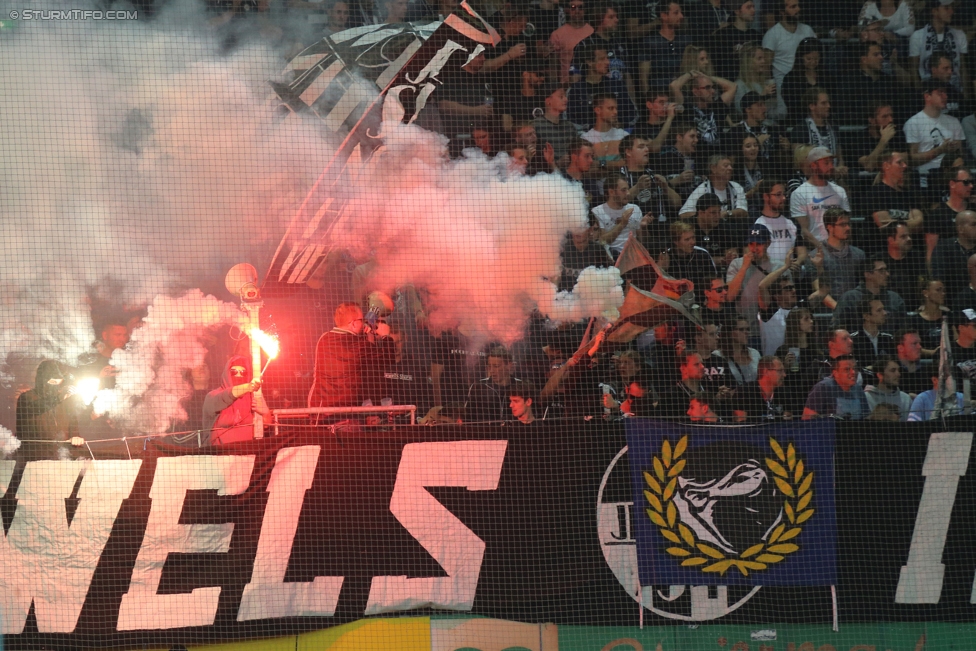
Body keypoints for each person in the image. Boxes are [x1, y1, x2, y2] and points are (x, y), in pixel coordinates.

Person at [308, 301, 395, 411]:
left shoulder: (324, 338)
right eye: (361, 320)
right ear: (353, 323)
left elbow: (358, 350)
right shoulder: (357, 345)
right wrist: (386, 337)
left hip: (319, 409)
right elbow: (387, 359)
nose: (363, 323)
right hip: (345, 412)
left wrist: (367, 334)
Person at [858, 151, 924, 254]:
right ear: (886, 166)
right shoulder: (875, 193)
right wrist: (910, 222)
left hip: (908, 255)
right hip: (882, 253)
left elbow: (919, 223)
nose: (905, 166)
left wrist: (896, 224)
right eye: (899, 163)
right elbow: (886, 228)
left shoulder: (909, 194)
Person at [15, 360, 81, 462]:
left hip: (63, 456)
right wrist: (59, 398)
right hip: (35, 458)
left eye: (59, 380)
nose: (56, 383)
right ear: (43, 379)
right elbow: (37, 407)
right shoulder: (27, 397)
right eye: (53, 380)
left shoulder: (66, 399)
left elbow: (73, 422)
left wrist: (76, 437)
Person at [904, 81, 965, 188]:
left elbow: (960, 153)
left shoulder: (954, 121)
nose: (945, 96)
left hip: (951, 176)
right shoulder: (913, 123)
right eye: (940, 93)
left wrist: (953, 149)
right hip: (925, 176)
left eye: (945, 93)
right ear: (927, 96)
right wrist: (940, 150)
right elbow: (912, 159)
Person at [202, 355, 271, 446]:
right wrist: (248, 387)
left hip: (246, 454)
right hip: (218, 455)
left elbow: (265, 426)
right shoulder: (213, 396)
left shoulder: (252, 397)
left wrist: (266, 413)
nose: (239, 375)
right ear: (227, 373)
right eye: (234, 372)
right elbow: (225, 397)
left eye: (243, 372)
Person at [790, 147, 851, 246]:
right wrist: (822, 249)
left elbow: (847, 224)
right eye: (826, 163)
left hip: (840, 248)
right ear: (813, 165)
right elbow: (803, 230)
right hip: (815, 249)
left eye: (832, 162)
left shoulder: (840, 191)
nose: (831, 166)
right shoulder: (799, 193)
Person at [832, 257, 908, 333]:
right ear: (867, 274)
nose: (887, 274)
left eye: (886, 270)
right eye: (881, 271)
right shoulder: (850, 298)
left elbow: (904, 329)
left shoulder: (894, 298)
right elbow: (836, 328)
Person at [908, 0, 968, 92]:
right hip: (928, 90)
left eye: (952, 8)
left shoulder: (960, 35)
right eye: (946, 8)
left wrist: (966, 98)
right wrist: (920, 96)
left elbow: (963, 69)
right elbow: (913, 69)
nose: (951, 11)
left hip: (955, 90)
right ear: (934, 11)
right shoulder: (917, 36)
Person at [726, 224, 776, 334]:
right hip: (744, 329)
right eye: (751, 244)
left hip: (771, 327)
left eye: (759, 244)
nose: (754, 249)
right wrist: (744, 267)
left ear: (768, 243)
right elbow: (730, 296)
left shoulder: (777, 266)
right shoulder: (737, 264)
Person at [569, 53, 636, 132]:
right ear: (589, 62)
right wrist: (596, 126)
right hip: (588, 137)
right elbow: (570, 121)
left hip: (618, 134)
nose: (608, 62)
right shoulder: (576, 89)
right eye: (602, 59)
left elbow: (633, 115)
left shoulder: (617, 85)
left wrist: (622, 123)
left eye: (607, 58)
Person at [678, 155, 749, 224]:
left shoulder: (736, 187)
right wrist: (708, 215)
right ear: (713, 168)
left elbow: (743, 212)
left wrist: (726, 213)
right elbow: (683, 214)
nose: (730, 168)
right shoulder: (702, 189)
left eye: (730, 165)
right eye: (726, 165)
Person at [638, 0, 689, 95]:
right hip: (659, 95)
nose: (681, 16)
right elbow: (643, 79)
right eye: (676, 13)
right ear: (664, 16)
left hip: (682, 94)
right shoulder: (650, 42)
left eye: (681, 13)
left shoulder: (685, 40)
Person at [763, 0, 816, 89]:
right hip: (784, 86)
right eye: (793, 7)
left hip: (808, 82)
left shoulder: (808, 30)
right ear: (782, 12)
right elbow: (766, 66)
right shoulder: (772, 34)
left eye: (798, 6)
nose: (798, 9)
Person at [660, 221, 718, 303]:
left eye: (693, 238)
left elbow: (714, 282)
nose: (693, 242)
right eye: (687, 239)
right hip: (674, 304)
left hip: (701, 303)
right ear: (675, 242)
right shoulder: (667, 257)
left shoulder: (702, 255)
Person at [814, 208, 865, 300]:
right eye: (842, 224)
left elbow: (863, 286)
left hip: (855, 307)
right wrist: (840, 309)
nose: (848, 228)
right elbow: (819, 290)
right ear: (830, 227)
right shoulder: (816, 256)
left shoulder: (859, 254)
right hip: (826, 311)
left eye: (848, 224)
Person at [793, 88, 847, 177]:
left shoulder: (833, 127)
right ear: (812, 106)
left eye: (828, 103)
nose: (828, 106)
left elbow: (839, 155)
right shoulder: (801, 129)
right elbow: (800, 162)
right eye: (823, 103)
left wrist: (841, 168)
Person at [925, 166, 971, 263]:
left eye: (971, 182)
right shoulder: (937, 215)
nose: (971, 186)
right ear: (952, 184)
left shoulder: (973, 210)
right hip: (949, 266)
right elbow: (931, 252)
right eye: (966, 182)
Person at [466, 346, 525, 422]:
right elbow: (468, 416)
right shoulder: (479, 386)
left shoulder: (521, 386)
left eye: (496, 366)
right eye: (489, 366)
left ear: (509, 365)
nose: (492, 370)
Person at [593, 174, 647, 256]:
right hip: (612, 257)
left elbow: (643, 241)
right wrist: (622, 224)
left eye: (628, 189)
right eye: (623, 190)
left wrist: (643, 227)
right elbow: (602, 241)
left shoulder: (635, 209)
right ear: (611, 192)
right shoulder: (597, 212)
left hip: (634, 255)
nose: (628, 193)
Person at [803, 355, 871, 420]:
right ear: (835, 373)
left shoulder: (858, 389)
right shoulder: (823, 388)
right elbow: (807, 419)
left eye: (855, 368)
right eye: (847, 369)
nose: (853, 372)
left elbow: (865, 417)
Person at [754, 180, 801, 267]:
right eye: (778, 195)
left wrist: (797, 263)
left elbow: (802, 251)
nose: (784, 198)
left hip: (790, 274)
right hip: (766, 274)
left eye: (784, 194)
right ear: (766, 197)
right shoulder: (755, 223)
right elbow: (751, 254)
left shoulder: (791, 222)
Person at [932, 210, 976, 301]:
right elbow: (939, 279)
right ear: (960, 229)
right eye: (974, 224)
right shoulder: (944, 248)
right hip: (952, 302)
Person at [712, 0, 762, 81]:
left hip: (753, 83)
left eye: (753, 7)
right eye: (748, 7)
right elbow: (718, 65)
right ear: (737, 11)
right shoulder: (722, 35)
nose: (753, 10)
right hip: (731, 83)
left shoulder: (756, 36)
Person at [653, 120, 702, 199]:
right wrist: (677, 180)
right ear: (679, 137)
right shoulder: (665, 158)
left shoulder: (699, 158)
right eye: (692, 136)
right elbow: (655, 188)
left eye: (697, 137)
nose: (696, 140)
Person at [532, 84, 578, 166]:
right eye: (561, 97)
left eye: (565, 96)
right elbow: (532, 158)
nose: (566, 99)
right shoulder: (535, 126)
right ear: (548, 101)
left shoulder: (569, 126)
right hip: (547, 175)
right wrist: (557, 163)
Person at [688, 193, 739, 268]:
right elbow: (686, 258)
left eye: (719, 212)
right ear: (701, 213)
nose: (718, 216)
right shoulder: (687, 228)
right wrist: (717, 260)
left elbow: (732, 252)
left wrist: (731, 256)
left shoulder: (726, 228)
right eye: (713, 213)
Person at [779, 36, 825, 119]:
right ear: (801, 57)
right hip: (799, 121)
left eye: (816, 59)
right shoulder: (791, 78)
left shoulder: (826, 76)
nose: (813, 62)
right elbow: (791, 105)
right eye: (809, 59)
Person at [577, 93, 629, 164]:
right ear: (598, 110)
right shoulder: (586, 138)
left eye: (616, 108)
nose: (615, 112)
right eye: (610, 108)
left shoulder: (623, 135)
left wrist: (599, 164)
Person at [550, 0, 594, 84]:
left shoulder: (592, 31)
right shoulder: (557, 34)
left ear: (585, 10)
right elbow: (553, 65)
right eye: (573, 7)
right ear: (567, 10)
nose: (577, 11)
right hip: (567, 85)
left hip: (591, 84)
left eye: (580, 7)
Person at [77, 321, 130, 390]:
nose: (122, 339)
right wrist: (100, 376)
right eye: (117, 335)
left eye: (125, 335)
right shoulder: (88, 361)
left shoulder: (129, 359)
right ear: (105, 335)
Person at [737, 355, 792, 420]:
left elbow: (788, 424)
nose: (784, 375)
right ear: (766, 372)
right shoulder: (744, 392)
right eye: (780, 371)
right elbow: (740, 426)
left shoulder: (785, 392)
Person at [865, 355, 914, 421]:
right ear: (880, 375)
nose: (898, 374)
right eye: (893, 370)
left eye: (898, 370)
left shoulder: (906, 399)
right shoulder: (866, 398)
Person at [851, 298, 896, 369]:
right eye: (879, 310)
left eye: (883, 309)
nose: (885, 313)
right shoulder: (852, 341)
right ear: (866, 316)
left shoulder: (889, 339)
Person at [907, 277, 948, 354]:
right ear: (926, 293)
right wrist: (933, 352)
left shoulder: (949, 316)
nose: (943, 293)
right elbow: (912, 345)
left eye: (943, 290)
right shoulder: (914, 321)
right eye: (938, 290)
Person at [720, 317, 761, 384]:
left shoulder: (755, 353)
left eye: (747, 329)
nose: (746, 332)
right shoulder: (718, 356)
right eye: (741, 329)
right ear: (730, 332)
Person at [894, 328, 930, 397]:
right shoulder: (891, 371)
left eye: (919, 343)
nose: (919, 347)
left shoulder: (928, 370)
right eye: (914, 343)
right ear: (901, 348)